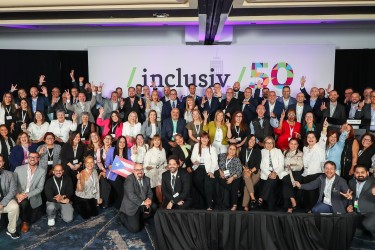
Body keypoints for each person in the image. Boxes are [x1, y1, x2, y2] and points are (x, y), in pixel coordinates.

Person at [14, 152, 46, 233]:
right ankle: (25, 222)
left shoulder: (42, 171)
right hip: (19, 195)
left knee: (34, 218)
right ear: (28, 158)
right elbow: (13, 184)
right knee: (24, 204)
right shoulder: (18, 169)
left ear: (38, 159)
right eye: (31, 157)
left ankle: (23, 219)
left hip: (33, 196)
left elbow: (40, 188)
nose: (33, 159)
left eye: (35, 157)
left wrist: (26, 195)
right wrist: (18, 194)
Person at [119, 163, 154, 233]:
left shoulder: (147, 179)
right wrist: (144, 203)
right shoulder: (129, 179)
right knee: (135, 229)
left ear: (143, 170)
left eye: (141, 169)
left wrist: (148, 201)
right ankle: (122, 217)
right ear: (134, 171)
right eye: (137, 170)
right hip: (132, 207)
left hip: (142, 205)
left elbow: (150, 193)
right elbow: (131, 195)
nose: (140, 171)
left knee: (154, 207)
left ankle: (139, 218)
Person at [257, 136, 286, 211]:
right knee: (270, 183)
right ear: (264, 144)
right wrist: (268, 174)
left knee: (272, 180)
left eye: (271, 143)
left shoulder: (278, 151)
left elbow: (281, 164)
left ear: (273, 144)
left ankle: (261, 197)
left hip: (277, 173)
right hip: (266, 174)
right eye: (267, 143)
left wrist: (275, 172)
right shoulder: (261, 152)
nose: (269, 144)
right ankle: (270, 206)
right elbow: (261, 165)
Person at [190, 132, 218, 209]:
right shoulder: (196, 146)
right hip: (198, 167)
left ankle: (209, 205)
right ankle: (209, 198)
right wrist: (194, 161)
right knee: (196, 180)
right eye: (203, 137)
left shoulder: (212, 148)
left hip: (208, 168)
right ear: (200, 139)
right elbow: (192, 157)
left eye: (206, 138)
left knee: (207, 184)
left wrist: (211, 171)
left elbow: (215, 161)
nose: (204, 139)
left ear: (208, 139)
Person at [347, 165, 375, 239]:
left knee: (367, 225)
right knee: (353, 231)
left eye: (362, 172)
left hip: (371, 212)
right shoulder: (351, 182)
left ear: (367, 173)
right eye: (357, 172)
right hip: (357, 212)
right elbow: (351, 197)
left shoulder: (373, 182)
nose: (360, 175)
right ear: (354, 174)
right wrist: (350, 205)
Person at [302, 131, 326, 211]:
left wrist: (324, 128)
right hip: (306, 174)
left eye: (313, 137)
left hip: (316, 174)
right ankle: (308, 212)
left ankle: (313, 213)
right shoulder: (305, 148)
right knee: (306, 196)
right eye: (309, 137)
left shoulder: (320, 146)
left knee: (313, 196)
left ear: (316, 139)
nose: (311, 139)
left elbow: (323, 137)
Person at [216, 144, 242, 211]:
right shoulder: (221, 156)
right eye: (230, 149)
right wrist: (220, 171)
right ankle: (236, 192)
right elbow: (216, 164)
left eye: (234, 149)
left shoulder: (237, 159)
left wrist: (232, 178)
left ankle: (234, 205)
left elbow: (239, 171)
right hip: (223, 176)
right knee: (217, 177)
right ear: (228, 149)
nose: (232, 151)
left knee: (235, 185)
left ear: (236, 151)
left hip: (234, 177)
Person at [0, 154, 20, 239]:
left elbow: (13, 190)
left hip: (5, 199)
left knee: (15, 206)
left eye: (0, 161)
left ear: (3, 163)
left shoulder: (10, 174)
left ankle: (11, 230)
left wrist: (2, 203)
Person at [143, 134, 167, 205]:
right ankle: (161, 203)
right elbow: (145, 165)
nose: (157, 142)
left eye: (158, 140)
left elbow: (165, 162)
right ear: (152, 141)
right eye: (155, 140)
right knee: (158, 183)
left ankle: (166, 200)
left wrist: (166, 166)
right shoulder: (149, 152)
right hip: (152, 170)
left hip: (162, 169)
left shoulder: (163, 150)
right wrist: (148, 167)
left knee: (165, 179)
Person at [105, 136, 128, 209]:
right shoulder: (111, 150)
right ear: (118, 142)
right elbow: (106, 163)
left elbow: (130, 162)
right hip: (113, 174)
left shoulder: (128, 151)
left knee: (127, 186)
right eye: (120, 142)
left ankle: (120, 205)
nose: (122, 143)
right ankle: (121, 207)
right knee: (121, 189)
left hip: (124, 174)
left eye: (124, 142)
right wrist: (109, 166)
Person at [281, 138, 303, 213]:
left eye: (295, 144)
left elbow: (300, 166)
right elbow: (283, 165)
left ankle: (289, 206)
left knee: (286, 185)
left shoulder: (300, 153)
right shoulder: (285, 152)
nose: (293, 145)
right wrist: (288, 168)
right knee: (285, 180)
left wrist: (291, 167)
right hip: (286, 172)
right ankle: (292, 199)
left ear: (298, 145)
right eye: (291, 143)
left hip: (296, 173)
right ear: (289, 144)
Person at [239, 135, 261, 211]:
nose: (252, 141)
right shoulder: (243, 149)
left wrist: (250, 171)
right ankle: (253, 199)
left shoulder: (257, 151)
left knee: (247, 186)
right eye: (251, 139)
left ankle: (245, 205)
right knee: (246, 175)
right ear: (247, 140)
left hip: (255, 172)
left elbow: (257, 165)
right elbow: (240, 162)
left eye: (254, 140)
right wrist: (244, 168)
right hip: (245, 170)